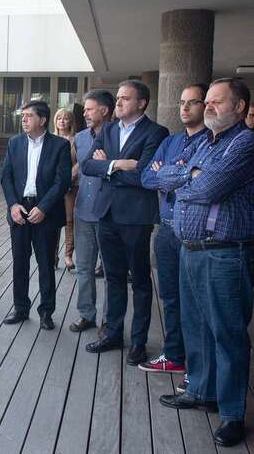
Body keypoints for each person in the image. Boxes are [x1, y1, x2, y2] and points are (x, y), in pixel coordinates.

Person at [156, 78, 254, 448]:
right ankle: (201, 391)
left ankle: (232, 414)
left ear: (239, 107)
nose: (208, 106)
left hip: (227, 253)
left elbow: (208, 188)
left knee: (228, 335)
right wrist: (189, 174)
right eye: (206, 101)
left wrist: (189, 176)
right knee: (195, 327)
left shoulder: (249, 143)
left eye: (216, 101)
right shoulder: (206, 142)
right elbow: (161, 175)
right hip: (191, 248)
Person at [81, 79, 168, 366]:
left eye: (125, 98)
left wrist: (107, 165)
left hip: (136, 218)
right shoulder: (107, 129)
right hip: (106, 214)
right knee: (113, 278)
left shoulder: (156, 132)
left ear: (142, 103)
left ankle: (139, 342)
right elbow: (87, 165)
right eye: (117, 98)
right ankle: (113, 334)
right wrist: (118, 164)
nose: (117, 102)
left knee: (140, 281)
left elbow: (144, 176)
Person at [140, 83, 208, 376]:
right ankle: (175, 355)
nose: (184, 108)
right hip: (166, 229)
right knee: (170, 297)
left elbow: (203, 182)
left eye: (192, 102)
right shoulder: (171, 142)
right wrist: (182, 173)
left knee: (196, 301)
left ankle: (199, 368)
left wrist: (168, 173)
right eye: (181, 102)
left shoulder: (211, 142)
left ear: (206, 105)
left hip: (195, 233)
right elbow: (146, 177)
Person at [1, 100, 72, 330]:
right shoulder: (14, 143)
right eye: (23, 115)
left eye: (29, 116)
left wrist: (43, 208)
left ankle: (46, 312)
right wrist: (13, 205)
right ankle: (20, 308)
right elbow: (6, 176)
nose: (23, 119)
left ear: (42, 120)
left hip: (46, 213)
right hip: (20, 211)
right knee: (19, 263)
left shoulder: (60, 145)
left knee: (46, 265)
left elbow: (62, 181)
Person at [69, 90, 114, 333]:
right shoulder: (80, 137)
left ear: (104, 110)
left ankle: (109, 320)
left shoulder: (118, 135)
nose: (84, 113)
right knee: (84, 267)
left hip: (108, 213)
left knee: (110, 271)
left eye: (89, 109)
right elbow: (78, 167)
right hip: (83, 210)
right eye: (85, 109)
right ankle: (86, 314)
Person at [53, 108, 78, 270]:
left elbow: (80, 162)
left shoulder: (76, 140)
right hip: (53, 187)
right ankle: (53, 256)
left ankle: (68, 255)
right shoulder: (49, 139)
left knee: (70, 221)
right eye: (59, 118)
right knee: (53, 221)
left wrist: (67, 179)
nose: (62, 121)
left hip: (71, 186)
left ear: (71, 122)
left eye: (66, 118)